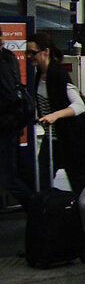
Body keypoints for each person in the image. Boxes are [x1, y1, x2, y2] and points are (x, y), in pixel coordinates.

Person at [27, 33, 85, 194]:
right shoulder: (39, 75)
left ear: (46, 52)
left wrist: (55, 115)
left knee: (78, 183)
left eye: (33, 53)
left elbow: (79, 105)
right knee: (42, 179)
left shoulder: (58, 74)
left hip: (70, 140)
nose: (29, 57)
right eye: (27, 53)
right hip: (53, 138)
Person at [0, 43, 34, 210]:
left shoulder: (4, 63)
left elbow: (8, 96)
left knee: (9, 178)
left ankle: (36, 209)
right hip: (11, 125)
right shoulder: (9, 58)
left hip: (5, 127)